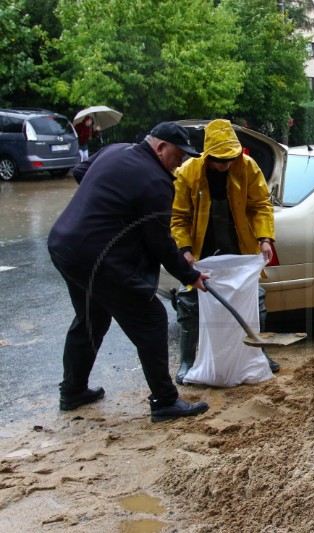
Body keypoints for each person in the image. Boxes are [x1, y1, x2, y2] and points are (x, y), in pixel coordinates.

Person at [48, 122, 211, 422]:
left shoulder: (114, 150)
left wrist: (106, 205)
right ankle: (164, 402)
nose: (181, 163)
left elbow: (81, 173)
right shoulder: (155, 182)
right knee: (151, 318)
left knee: (91, 317)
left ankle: (73, 391)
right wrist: (190, 276)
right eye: (178, 155)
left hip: (64, 246)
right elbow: (161, 243)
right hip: (97, 259)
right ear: (160, 147)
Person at [170, 119, 278, 385]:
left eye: (230, 158)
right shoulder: (188, 173)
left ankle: (257, 353)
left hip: (238, 246)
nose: (225, 165)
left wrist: (265, 237)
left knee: (255, 299)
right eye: (220, 160)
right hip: (201, 249)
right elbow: (178, 217)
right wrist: (184, 249)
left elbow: (261, 204)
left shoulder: (248, 167)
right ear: (207, 155)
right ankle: (187, 360)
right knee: (190, 303)